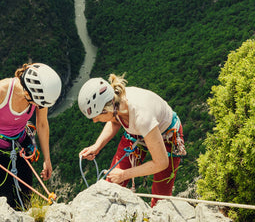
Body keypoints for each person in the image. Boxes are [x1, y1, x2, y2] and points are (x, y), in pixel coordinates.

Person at [78, 74, 186, 206]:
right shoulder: (117, 102)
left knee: (160, 199)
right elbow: (115, 122)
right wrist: (97, 146)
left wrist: (124, 174)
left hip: (167, 136)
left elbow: (161, 162)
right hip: (135, 132)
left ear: (107, 110)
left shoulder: (142, 116)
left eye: (97, 117)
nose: (95, 121)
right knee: (111, 184)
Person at [0, 62, 61, 210]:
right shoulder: (0, 92)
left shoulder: (38, 94)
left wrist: (47, 159)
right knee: (4, 198)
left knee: (26, 194)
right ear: (27, 93)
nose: (39, 106)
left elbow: (42, 123)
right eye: (36, 103)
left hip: (20, 143)